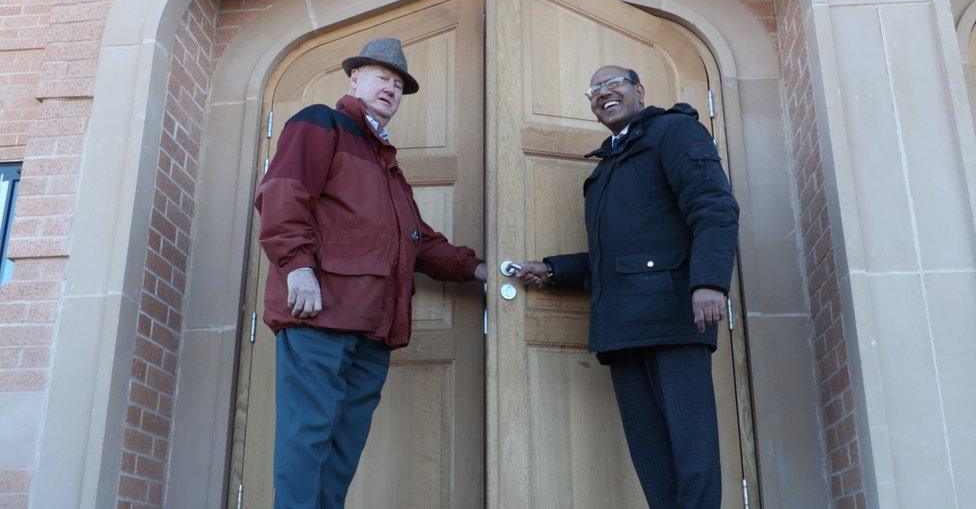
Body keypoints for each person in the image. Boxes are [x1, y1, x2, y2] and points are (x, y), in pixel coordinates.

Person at [254, 37, 487, 509]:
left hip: (374, 328)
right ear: (354, 78)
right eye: (383, 76)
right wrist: (297, 267)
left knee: (342, 451)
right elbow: (282, 192)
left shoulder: (389, 168)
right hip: (317, 314)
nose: (392, 88)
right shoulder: (321, 123)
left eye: (399, 83)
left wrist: (481, 269)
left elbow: (422, 242)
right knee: (308, 438)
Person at [514, 65, 739, 507]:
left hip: (675, 317)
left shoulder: (674, 132)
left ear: (639, 90)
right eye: (594, 88)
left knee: (692, 455)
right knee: (653, 460)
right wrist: (554, 269)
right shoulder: (610, 160)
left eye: (613, 83)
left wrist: (710, 283)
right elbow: (613, 258)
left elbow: (715, 207)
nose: (603, 92)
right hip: (622, 327)